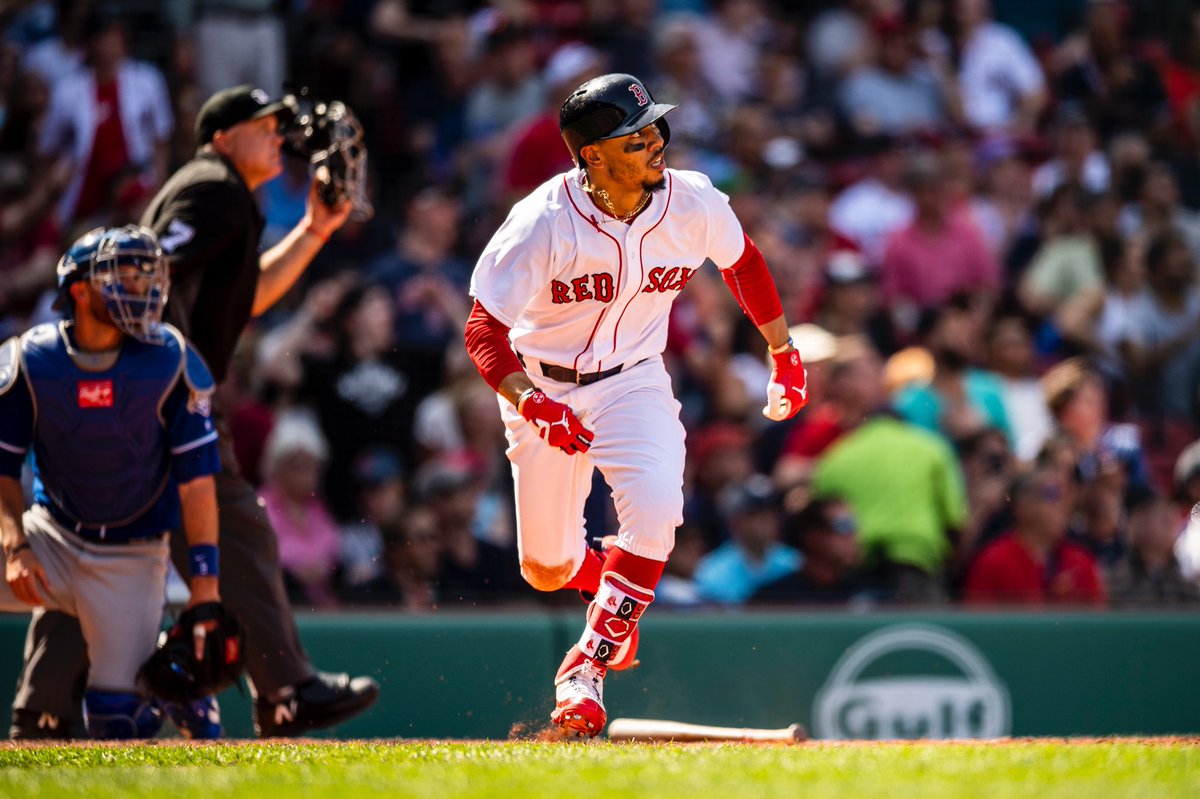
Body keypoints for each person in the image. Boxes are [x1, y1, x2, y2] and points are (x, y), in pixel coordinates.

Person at [11, 85, 378, 740]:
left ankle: (44, 707)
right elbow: (144, 272)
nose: (276, 135)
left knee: (99, 534)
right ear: (221, 136)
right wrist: (157, 376)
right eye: (260, 124)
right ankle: (287, 688)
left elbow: (249, 295)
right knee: (233, 525)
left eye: (276, 126)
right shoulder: (212, 185)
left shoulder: (229, 194)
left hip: (141, 396)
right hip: (154, 397)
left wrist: (315, 230)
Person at [463, 73, 808, 738]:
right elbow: (483, 330)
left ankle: (584, 670)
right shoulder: (542, 220)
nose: (655, 142)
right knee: (547, 566)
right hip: (542, 380)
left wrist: (782, 349)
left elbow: (743, 262)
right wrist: (532, 404)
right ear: (592, 153)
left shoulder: (691, 201)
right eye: (636, 134)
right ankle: (610, 593)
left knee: (655, 513)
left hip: (634, 379)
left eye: (656, 128)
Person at [1, 226, 223, 739]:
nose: (142, 288)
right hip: (48, 536)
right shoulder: (31, 360)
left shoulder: (171, 359)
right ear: (79, 289)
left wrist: (206, 586)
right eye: (124, 275)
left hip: (131, 553)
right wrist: (15, 545)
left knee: (117, 721)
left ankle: (173, 696)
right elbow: (2, 470)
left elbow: (198, 486)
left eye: (148, 275)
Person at [964, 467, 1106, 606]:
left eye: (1067, 495)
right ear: (1022, 505)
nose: (1063, 504)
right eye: (1053, 494)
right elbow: (980, 624)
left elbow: (1096, 624)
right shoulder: (993, 562)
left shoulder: (1081, 563)